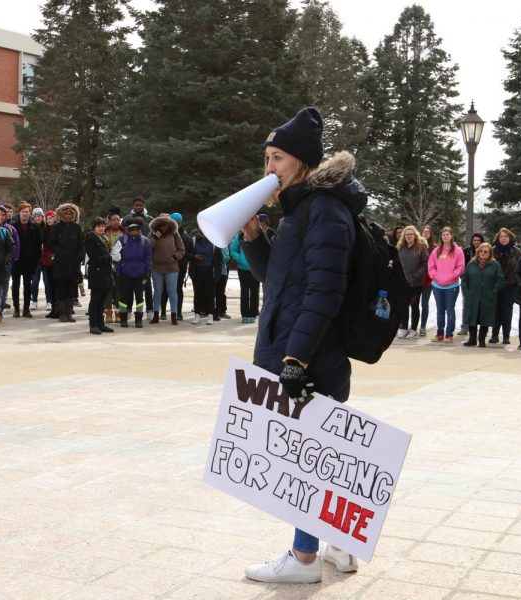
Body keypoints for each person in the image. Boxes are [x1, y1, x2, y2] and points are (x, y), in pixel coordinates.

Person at [240, 107, 364, 584]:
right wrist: (254, 238)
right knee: (323, 453)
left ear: (302, 162)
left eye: (277, 158)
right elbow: (280, 280)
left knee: (304, 460)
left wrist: (296, 357)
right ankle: (341, 546)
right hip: (302, 347)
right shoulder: (301, 209)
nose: (268, 168)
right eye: (267, 158)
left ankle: (304, 558)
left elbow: (324, 292)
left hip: (309, 354)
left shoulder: (324, 211)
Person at [460, 242, 504, 347]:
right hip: (472, 295)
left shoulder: (495, 264)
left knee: (485, 318)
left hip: (487, 296)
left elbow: (500, 280)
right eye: (481, 251)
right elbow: (464, 278)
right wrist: (466, 292)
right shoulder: (472, 263)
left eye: (486, 251)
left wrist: (493, 291)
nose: (483, 253)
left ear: (490, 253)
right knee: (472, 317)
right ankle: (472, 339)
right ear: (478, 252)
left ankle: (482, 340)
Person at [47, 203, 84, 323]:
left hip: (73, 263)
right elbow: (51, 243)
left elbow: (81, 244)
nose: (68, 216)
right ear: (61, 215)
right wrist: (59, 252)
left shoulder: (77, 228)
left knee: (71, 288)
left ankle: (69, 312)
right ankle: (62, 313)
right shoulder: (56, 227)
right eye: (66, 214)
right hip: (60, 263)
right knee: (61, 288)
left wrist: (78, 257)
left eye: (70, 214)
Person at [427, 226, 465, 343]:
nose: (445, 236)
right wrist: (437, 277)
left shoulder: (458, 251)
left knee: (450, 310)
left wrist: (450, 277)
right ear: (441, 236)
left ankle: (449, 334)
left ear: (452, 236)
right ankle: (439, 333)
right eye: (443, 235)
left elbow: (460, 267)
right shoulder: (436, 251)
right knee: (439, 310)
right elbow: (431, 267)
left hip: (451, 286)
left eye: (447, 234)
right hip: (437, 285)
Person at [148, 213, 185, 325]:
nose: (163, 227)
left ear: (169, 225)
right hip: (156, 267)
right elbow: (148, 247)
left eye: (166, 225)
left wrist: (175, 256)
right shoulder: (153, 234)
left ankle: (174, 315)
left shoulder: (175, 234)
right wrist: (155, 236)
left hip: (172, 267)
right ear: (158, 225)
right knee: (157, 291)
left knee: (172, 291)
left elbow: (181, 250)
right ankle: (156, 315)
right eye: (161, 225)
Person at [115, 217, 151, 328]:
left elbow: (148, 257)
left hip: (139, 273)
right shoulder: (121, 240)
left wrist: (146, 271)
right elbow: (115, 255)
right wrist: (119, 269)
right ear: (128, 229)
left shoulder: (145, 241)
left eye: (136, 228)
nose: (134, 230)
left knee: (140, 298)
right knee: (124, 298)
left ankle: (138, 319)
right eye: (132, 228)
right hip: (125, 273)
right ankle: (123, 319)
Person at [84, 216, 116, 335]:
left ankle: (100, 323)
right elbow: (95, 258)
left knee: (102, 300)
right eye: (99, 226)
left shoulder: (104, 238)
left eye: (103, 226)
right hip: (96, 272)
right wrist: (110, 257)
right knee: (96, 299)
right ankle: (93, 324)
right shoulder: (91, 238)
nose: (101, 228)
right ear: (94, 228)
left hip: (105, 272)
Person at [11, 201, 42, 318]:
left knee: (27, 286)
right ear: (19, 213)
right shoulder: (13, 227)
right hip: (16, 261)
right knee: (15, 285)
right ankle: (16, 309)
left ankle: (26, 309)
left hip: (30, 262)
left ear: (30, 214)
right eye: (23, 212)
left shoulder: (35, 228)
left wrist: (36, 260)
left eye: (27, 212)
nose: (25, 214)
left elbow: (39, 246)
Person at [396, 225, 428, 339]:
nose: (409, 236)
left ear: (415, 235)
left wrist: (417, 275)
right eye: (407, 234)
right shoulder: (400, 247)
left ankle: (413, 329)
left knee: (414, 305)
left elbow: (425, 263)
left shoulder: (421, 247)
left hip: (415, 282)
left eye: (411, 234)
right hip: (402, 282)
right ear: (404, 236)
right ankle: (403, 327)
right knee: (403, 305)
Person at [489, 228, 520, 344]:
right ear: (498, 238)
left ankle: (506, 336)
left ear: (510, 238)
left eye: (506, 236)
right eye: (501, 236)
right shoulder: (492, 251)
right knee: (495, 311)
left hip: (510, 286)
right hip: (495, 286)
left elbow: (519, 269)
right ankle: (494, 335)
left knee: (507, 311)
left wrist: (516, 282)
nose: (504, 238)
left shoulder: (517, 252)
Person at [457, 233, 484, 335]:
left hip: (481, 283)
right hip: (468, 283)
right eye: (474, 240)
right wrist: (463, 278)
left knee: (480, 306)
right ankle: (465, 327)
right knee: (467, 305)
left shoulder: (485, 251)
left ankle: (480, 328)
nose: (476, 242)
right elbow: (462, 265)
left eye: (478, 240)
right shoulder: (467, 251)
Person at [230, 230, 259, 323]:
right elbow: (232, 249)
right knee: (245, 292)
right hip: (242, 269)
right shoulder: (240, 236)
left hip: (256, 268)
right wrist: (240, 259)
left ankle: (253, 314)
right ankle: (245, 314)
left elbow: (262, 249)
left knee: (255, 291)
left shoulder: (257, 235)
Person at [189, 232, 215, 325]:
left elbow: (218, 259)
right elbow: (187, 254)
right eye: (201, 231)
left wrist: (217, 275)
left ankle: (211, 315)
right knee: (197, 294)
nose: (202, 234)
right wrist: (194, 257)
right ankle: (197, 315)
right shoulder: (194, 240)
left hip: (209, 272)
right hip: (197, 272)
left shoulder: (213, 241)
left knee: (210, 295)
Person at [104, 209, 125, 323]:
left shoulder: (124, 233)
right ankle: (108, 312)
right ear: (109, 221)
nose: (116, 222)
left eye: (118, 219)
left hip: (120, 265)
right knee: (108, 288)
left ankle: (118, 312)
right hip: (107, 264)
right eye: (113, 220)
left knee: (118, 289)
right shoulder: (104, 232)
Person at [419, 225, 436, 336]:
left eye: (428, 232)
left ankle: (423, 326)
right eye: (424, 232)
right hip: (415, 279)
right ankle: (411, 325)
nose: (425, 234)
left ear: (430, 234)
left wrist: (433, 275)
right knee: (414, 305)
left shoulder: (434, 248)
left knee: (424, 304)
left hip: (428, 281)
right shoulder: (417, 246)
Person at [40, 210, 58, 312]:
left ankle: (58, 305)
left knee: (57, 284)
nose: (49, 220)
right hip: (47, 259)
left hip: (57, 259)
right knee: (49, 283)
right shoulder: (45, 230)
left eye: (51, 218)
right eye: (48, 219)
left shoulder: (58, 229)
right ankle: (52, 305)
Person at [29, 207, 46, 310]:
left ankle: (49, 301)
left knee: (47, 281)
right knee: (35, 281)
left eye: (39, 216)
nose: (38, 218)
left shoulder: (46, 227)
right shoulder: (31, 227)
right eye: (36, 216)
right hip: (35, 258)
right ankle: (34, 300)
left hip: (45, 258)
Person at [214, 245, 231, 320]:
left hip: (222, 271)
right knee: (212, 293)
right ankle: (211, 312)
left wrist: (217, 257)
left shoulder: (223, 244)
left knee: (220, 293)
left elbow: (227, 258)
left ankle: (219, 312)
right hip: (212, 271)